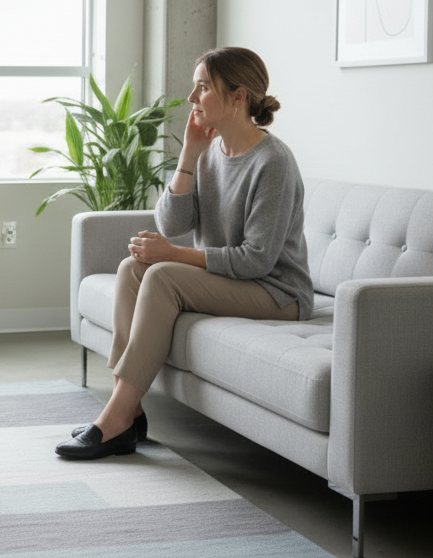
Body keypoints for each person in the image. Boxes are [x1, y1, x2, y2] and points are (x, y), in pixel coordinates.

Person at [56, 46, 313, 460]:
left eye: (202, 88)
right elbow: (171, 223)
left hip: (277, 292)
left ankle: (114, 418)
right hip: (235, 280)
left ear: (237, 97)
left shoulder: (274, 163)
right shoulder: (211, 152)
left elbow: (256, 260)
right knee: (132, 268)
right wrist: (190, 154)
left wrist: (172, 255)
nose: (192, 99)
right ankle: (131, 411)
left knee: (160, 274)